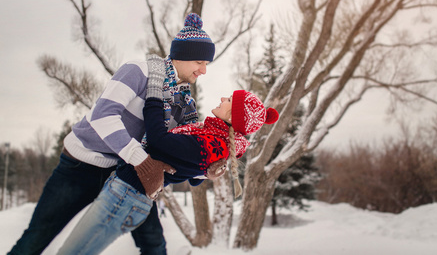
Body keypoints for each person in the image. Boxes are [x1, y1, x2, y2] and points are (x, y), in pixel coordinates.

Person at [8, 13, 215, 255]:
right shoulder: (138, 70)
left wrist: (204, 169)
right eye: (199, 62)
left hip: (124, 174)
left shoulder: (182, 101)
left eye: (206, 65)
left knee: (153, 243)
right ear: (182, 55)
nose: (203, 70)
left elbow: (179, 147)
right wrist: (142, 161)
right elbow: (103, 117)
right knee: (38, 236)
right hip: (80, 166)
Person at [55, 54, 279, 255]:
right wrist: (203, 173)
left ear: (232, 116)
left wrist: (154, 92)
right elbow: (190, 172)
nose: (222, 99)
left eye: (228, 100)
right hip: (127, 192)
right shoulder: (212, 137)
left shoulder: (213, 143)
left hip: (126, 195)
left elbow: (158, 141)